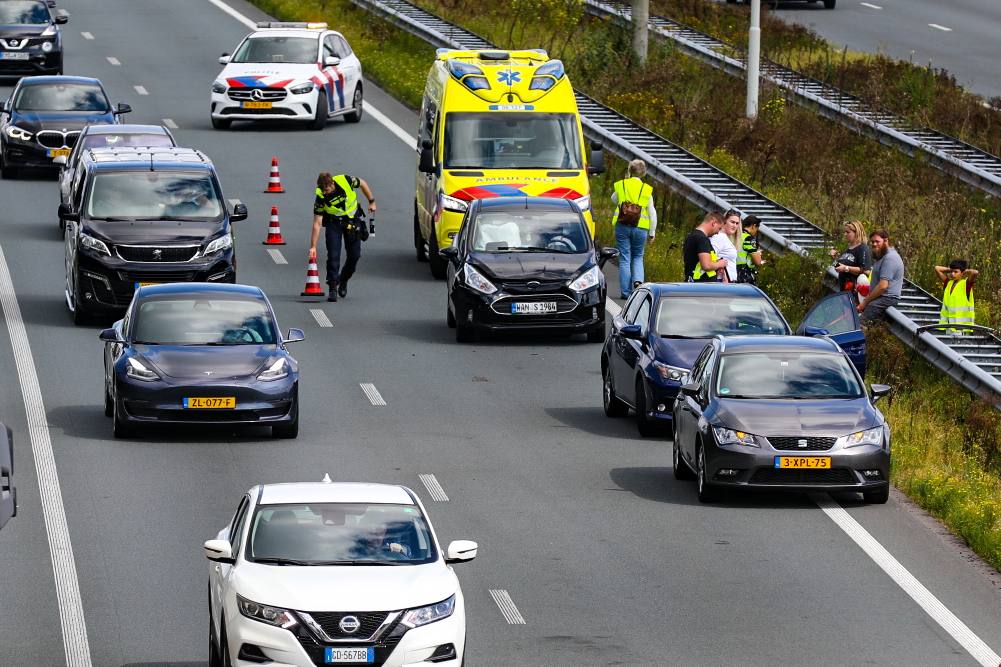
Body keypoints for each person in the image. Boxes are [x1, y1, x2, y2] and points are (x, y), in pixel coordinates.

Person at [308, 172, 377, 302]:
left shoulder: (345, 180)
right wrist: (313, 246)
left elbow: (362, 183)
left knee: (354, 256)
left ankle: (343, 279)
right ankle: (332, 287)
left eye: (327, 190)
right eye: (323, 191)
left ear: (332, 184)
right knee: (333, 256)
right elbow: (317, 222)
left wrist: (371, 201)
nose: (325, 193)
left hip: (353, 222)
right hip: (334, 224)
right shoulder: (320, 196)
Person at [610, 159, 656, 299]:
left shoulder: (621, 185)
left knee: (625, 258)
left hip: (623, 225)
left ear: (629, 170)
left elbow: (613, 199)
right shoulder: (646, 189)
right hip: (641, 227)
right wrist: (652, 232)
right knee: (638, 257)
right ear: (643, 173)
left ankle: (625, 292)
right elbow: (652, 211)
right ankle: (638, 284)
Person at [857, 230, 904, 324]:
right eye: (872, 241)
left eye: (877, 241)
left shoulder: (890, 258)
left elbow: (883, 286)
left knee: (861, 325)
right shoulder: (882, 256)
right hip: (880, 298)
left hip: (886, 298)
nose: (874, 244)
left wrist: (865, 302)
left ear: (886, 241)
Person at [683, 211, 727, 282]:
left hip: (693, 282)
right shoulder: (702, 239)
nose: (718, 232)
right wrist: (720, 263)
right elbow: (706, 266)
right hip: (702, 286)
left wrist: (715, 266)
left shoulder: (692, 236)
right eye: (719, 228)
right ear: (713, 223)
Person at [935, 259, 978, 333]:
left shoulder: (966, 284)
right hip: (948, 327)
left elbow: (975, 272)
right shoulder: (948, 283)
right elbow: (937, 268)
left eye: (956, 272)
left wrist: (965, 270)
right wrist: (952, 269)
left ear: (962, 273)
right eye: (951, 271)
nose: (952, 274)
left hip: (962, 329)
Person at [829, 220, 871, 292]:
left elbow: (866, 271)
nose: (845, 234)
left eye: (848, 232)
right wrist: (834, 259)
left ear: (856, 233)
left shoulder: (862, 248)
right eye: (844, 232)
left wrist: (846, 268)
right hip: (843, 291)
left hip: (855, 292)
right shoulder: (847, 249)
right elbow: (840, 268)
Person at [712, 209, 741, 283]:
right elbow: (709, 255)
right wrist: (720, 267)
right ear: (725, 221)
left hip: (729, 281)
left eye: (737, 223)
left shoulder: (725, 238)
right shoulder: (719, 237)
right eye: (732, 222)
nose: (734, 226)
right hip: (722, 281)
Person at [736, 214, 765, 284]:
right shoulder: (749, 239)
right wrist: (758, 253)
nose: (756, 231)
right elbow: (758, 261)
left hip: (734, 271)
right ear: (753, 226)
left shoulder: (737, 235)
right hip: (744, 273)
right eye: (757, 229)